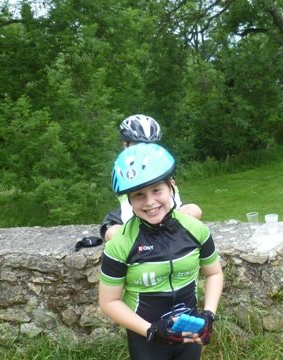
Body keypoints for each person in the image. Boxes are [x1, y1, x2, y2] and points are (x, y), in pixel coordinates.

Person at [99, 143, 223, 360]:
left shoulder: (196, 230)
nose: (150, 202)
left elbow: (214, 273)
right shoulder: (120, 244)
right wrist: (151, 330)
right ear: (129, 200)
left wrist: (209, 315)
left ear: (171, 186)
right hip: (146, 337)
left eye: (157, 190)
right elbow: (109, 301)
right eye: (138, 195)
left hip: (189, 329)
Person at [100, 114, 202, 241]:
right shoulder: (124, 166)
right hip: (131, 214)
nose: (144, 149)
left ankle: (161, 228)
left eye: (150, 144)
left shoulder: (161, 161)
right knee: (111, 233)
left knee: (194, 210)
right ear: (125, 144)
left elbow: (174, 198)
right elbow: (127, 207)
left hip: (165, 211)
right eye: (138, 144)